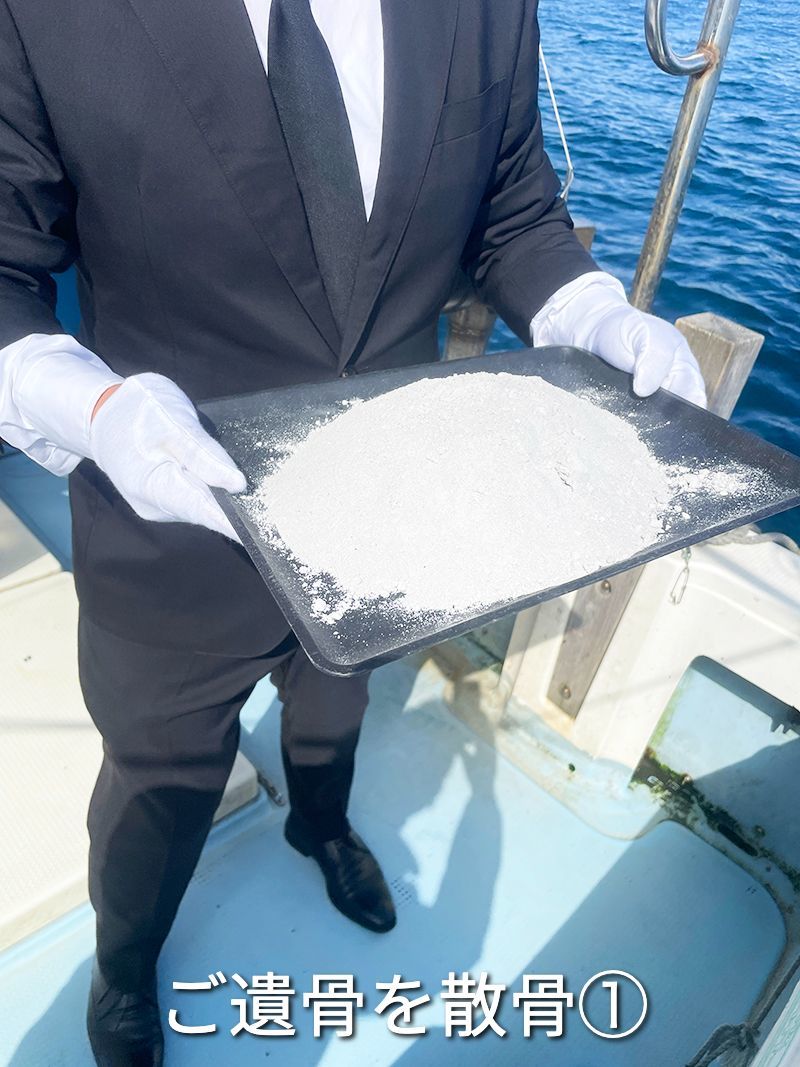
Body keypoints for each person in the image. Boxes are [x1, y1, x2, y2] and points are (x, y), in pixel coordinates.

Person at [0, 0, 706, 1063]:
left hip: (383, 511)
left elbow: (512, 208)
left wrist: (588, 310)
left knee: (338, 701)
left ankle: (318, 822)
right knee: (157, 777)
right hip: (169, 520)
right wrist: (91, 408)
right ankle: (126, 961)